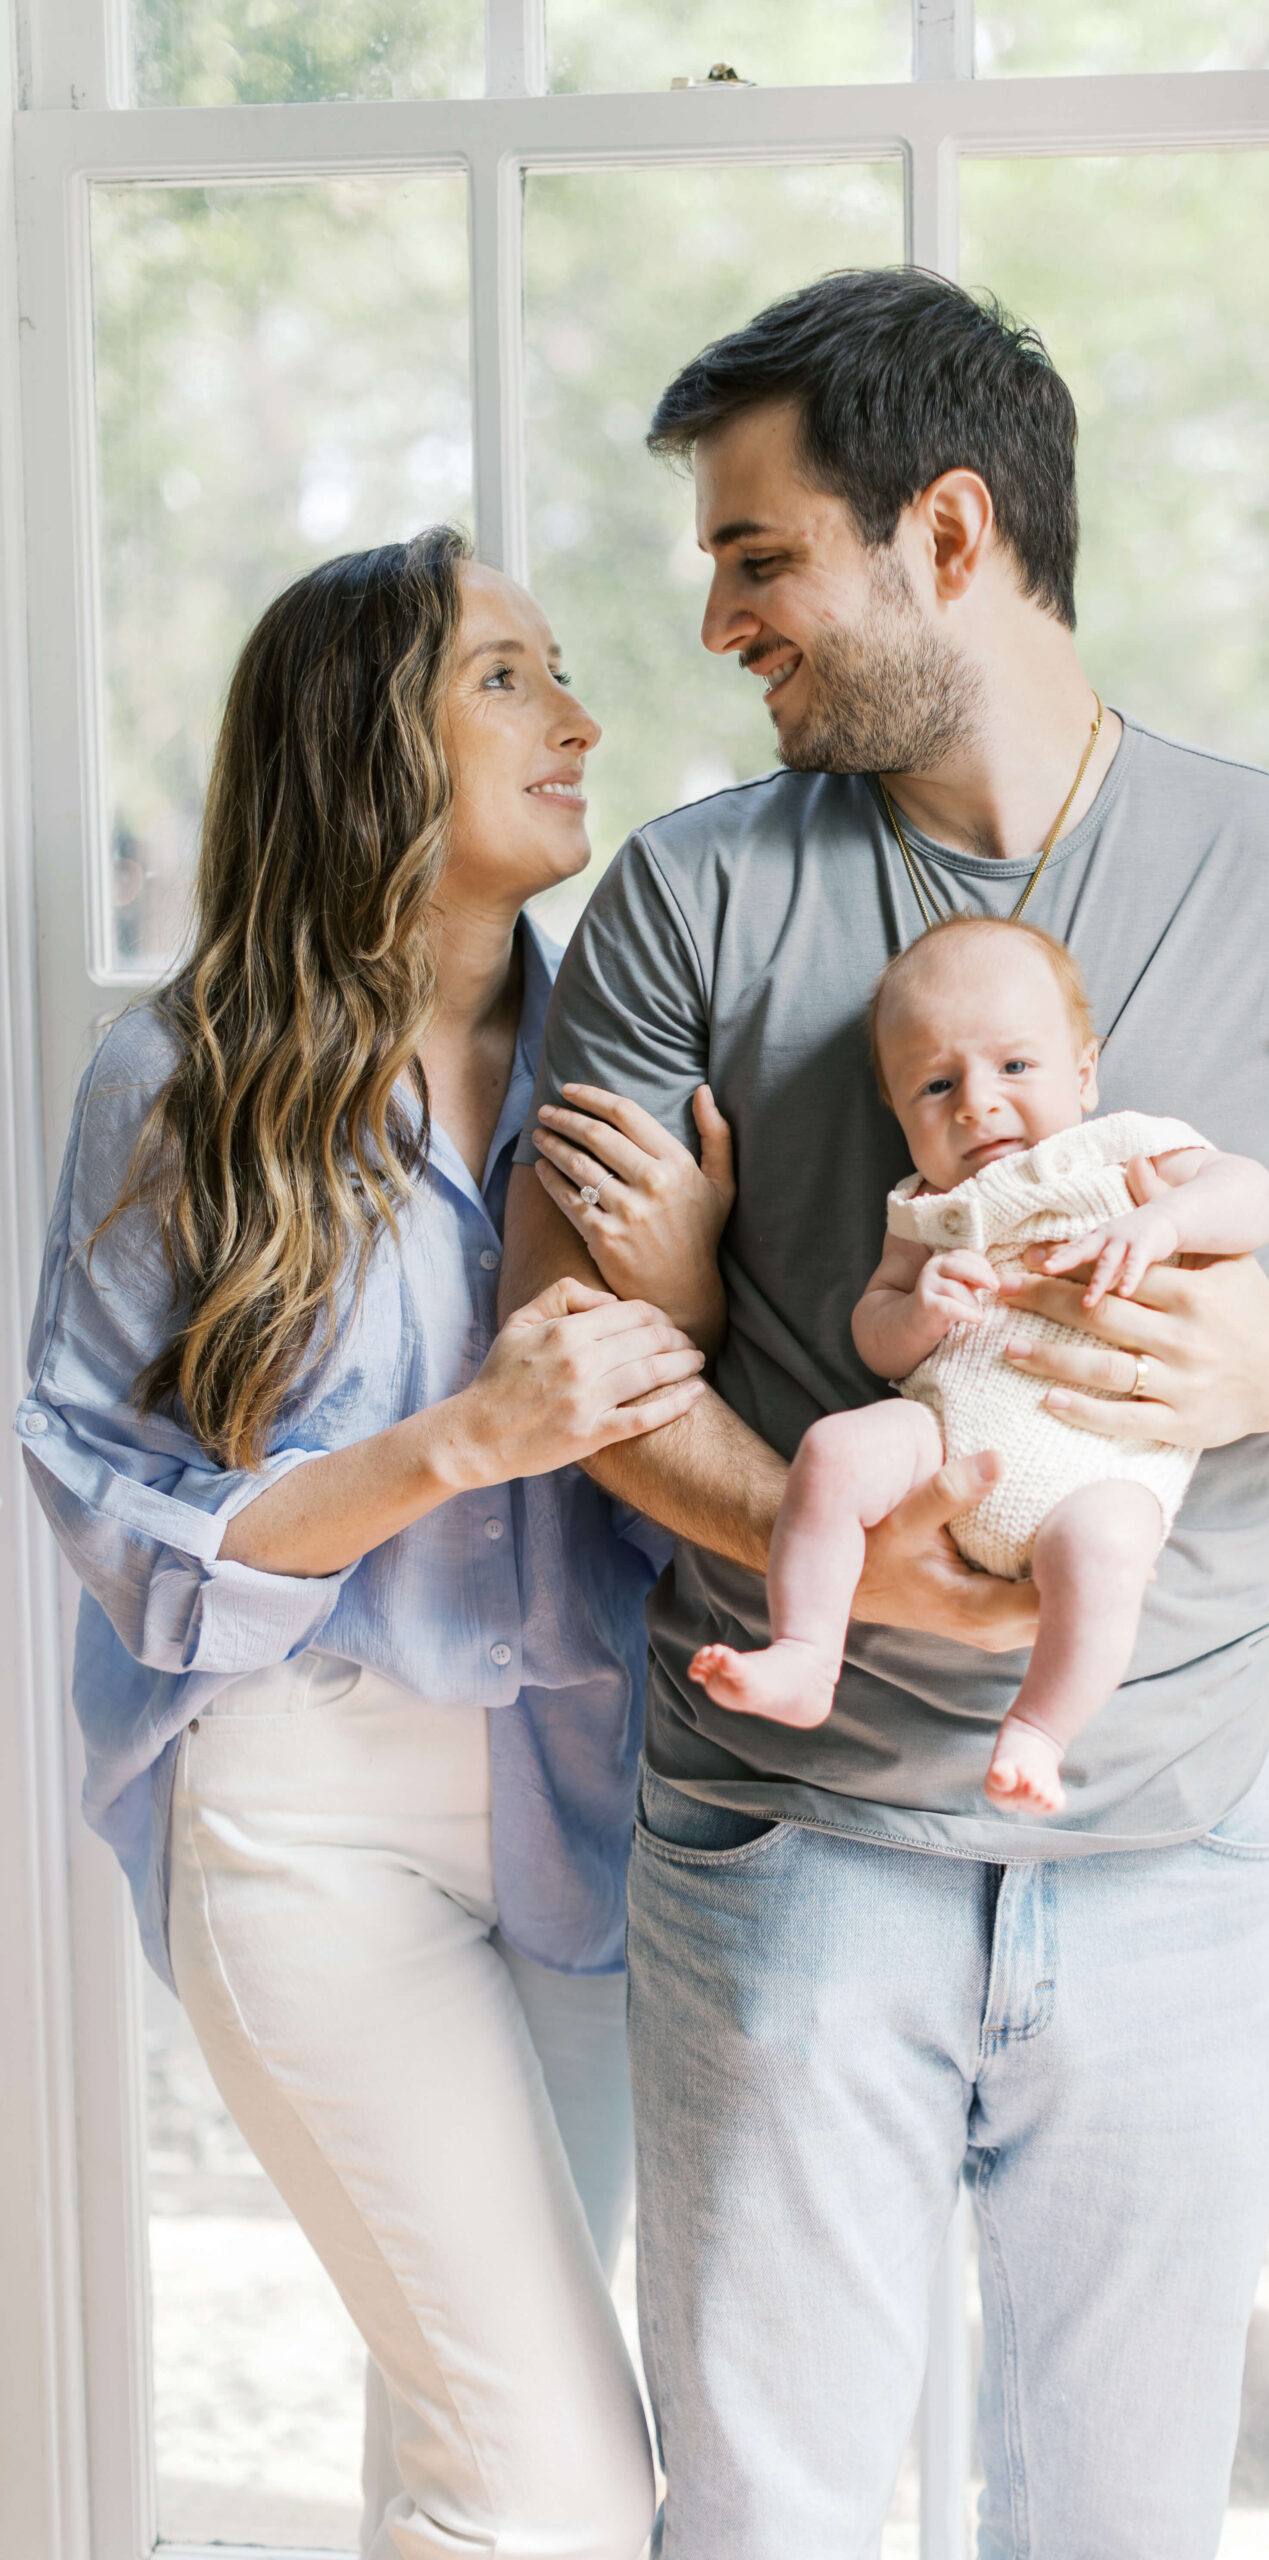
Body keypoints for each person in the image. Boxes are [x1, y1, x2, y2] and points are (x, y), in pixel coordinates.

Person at [501, 269, 1269, 2559]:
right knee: (758, 2513)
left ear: (944, 532)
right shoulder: (686, 891)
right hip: (787, 1851)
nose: (723, 619)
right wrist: (841, 1559)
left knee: (1123, 2518)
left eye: (759, 555)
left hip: (1163, 1856)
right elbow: (574, 1364)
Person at [17, 527, 733, 2560]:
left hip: (585, 1812)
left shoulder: (641, 1065)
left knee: (456, 2423)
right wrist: (456, 1441)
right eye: (507, 673)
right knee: (550, 2477)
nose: (578, 715)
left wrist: (676, 1287)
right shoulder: (183, 1087)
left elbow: (727, 1420)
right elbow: (110, 1499)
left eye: (561, 668)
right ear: (364, 740)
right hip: (303, 1804)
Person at [688, 914, 1269, 1818]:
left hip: (1097, 1466)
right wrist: (917, 1307)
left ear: (1082, 1072)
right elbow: (873, 1334)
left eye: (1014, 1067)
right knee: (834, 1452)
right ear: (895, 1108)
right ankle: (808, 1655)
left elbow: (1253, 1197)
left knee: (1108, 1553)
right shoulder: (924, 1209)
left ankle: (1040, 1730)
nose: (976, 1102)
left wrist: (1163, 1222)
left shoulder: (1125, 1153)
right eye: (936, 1084)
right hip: (946, 1435)